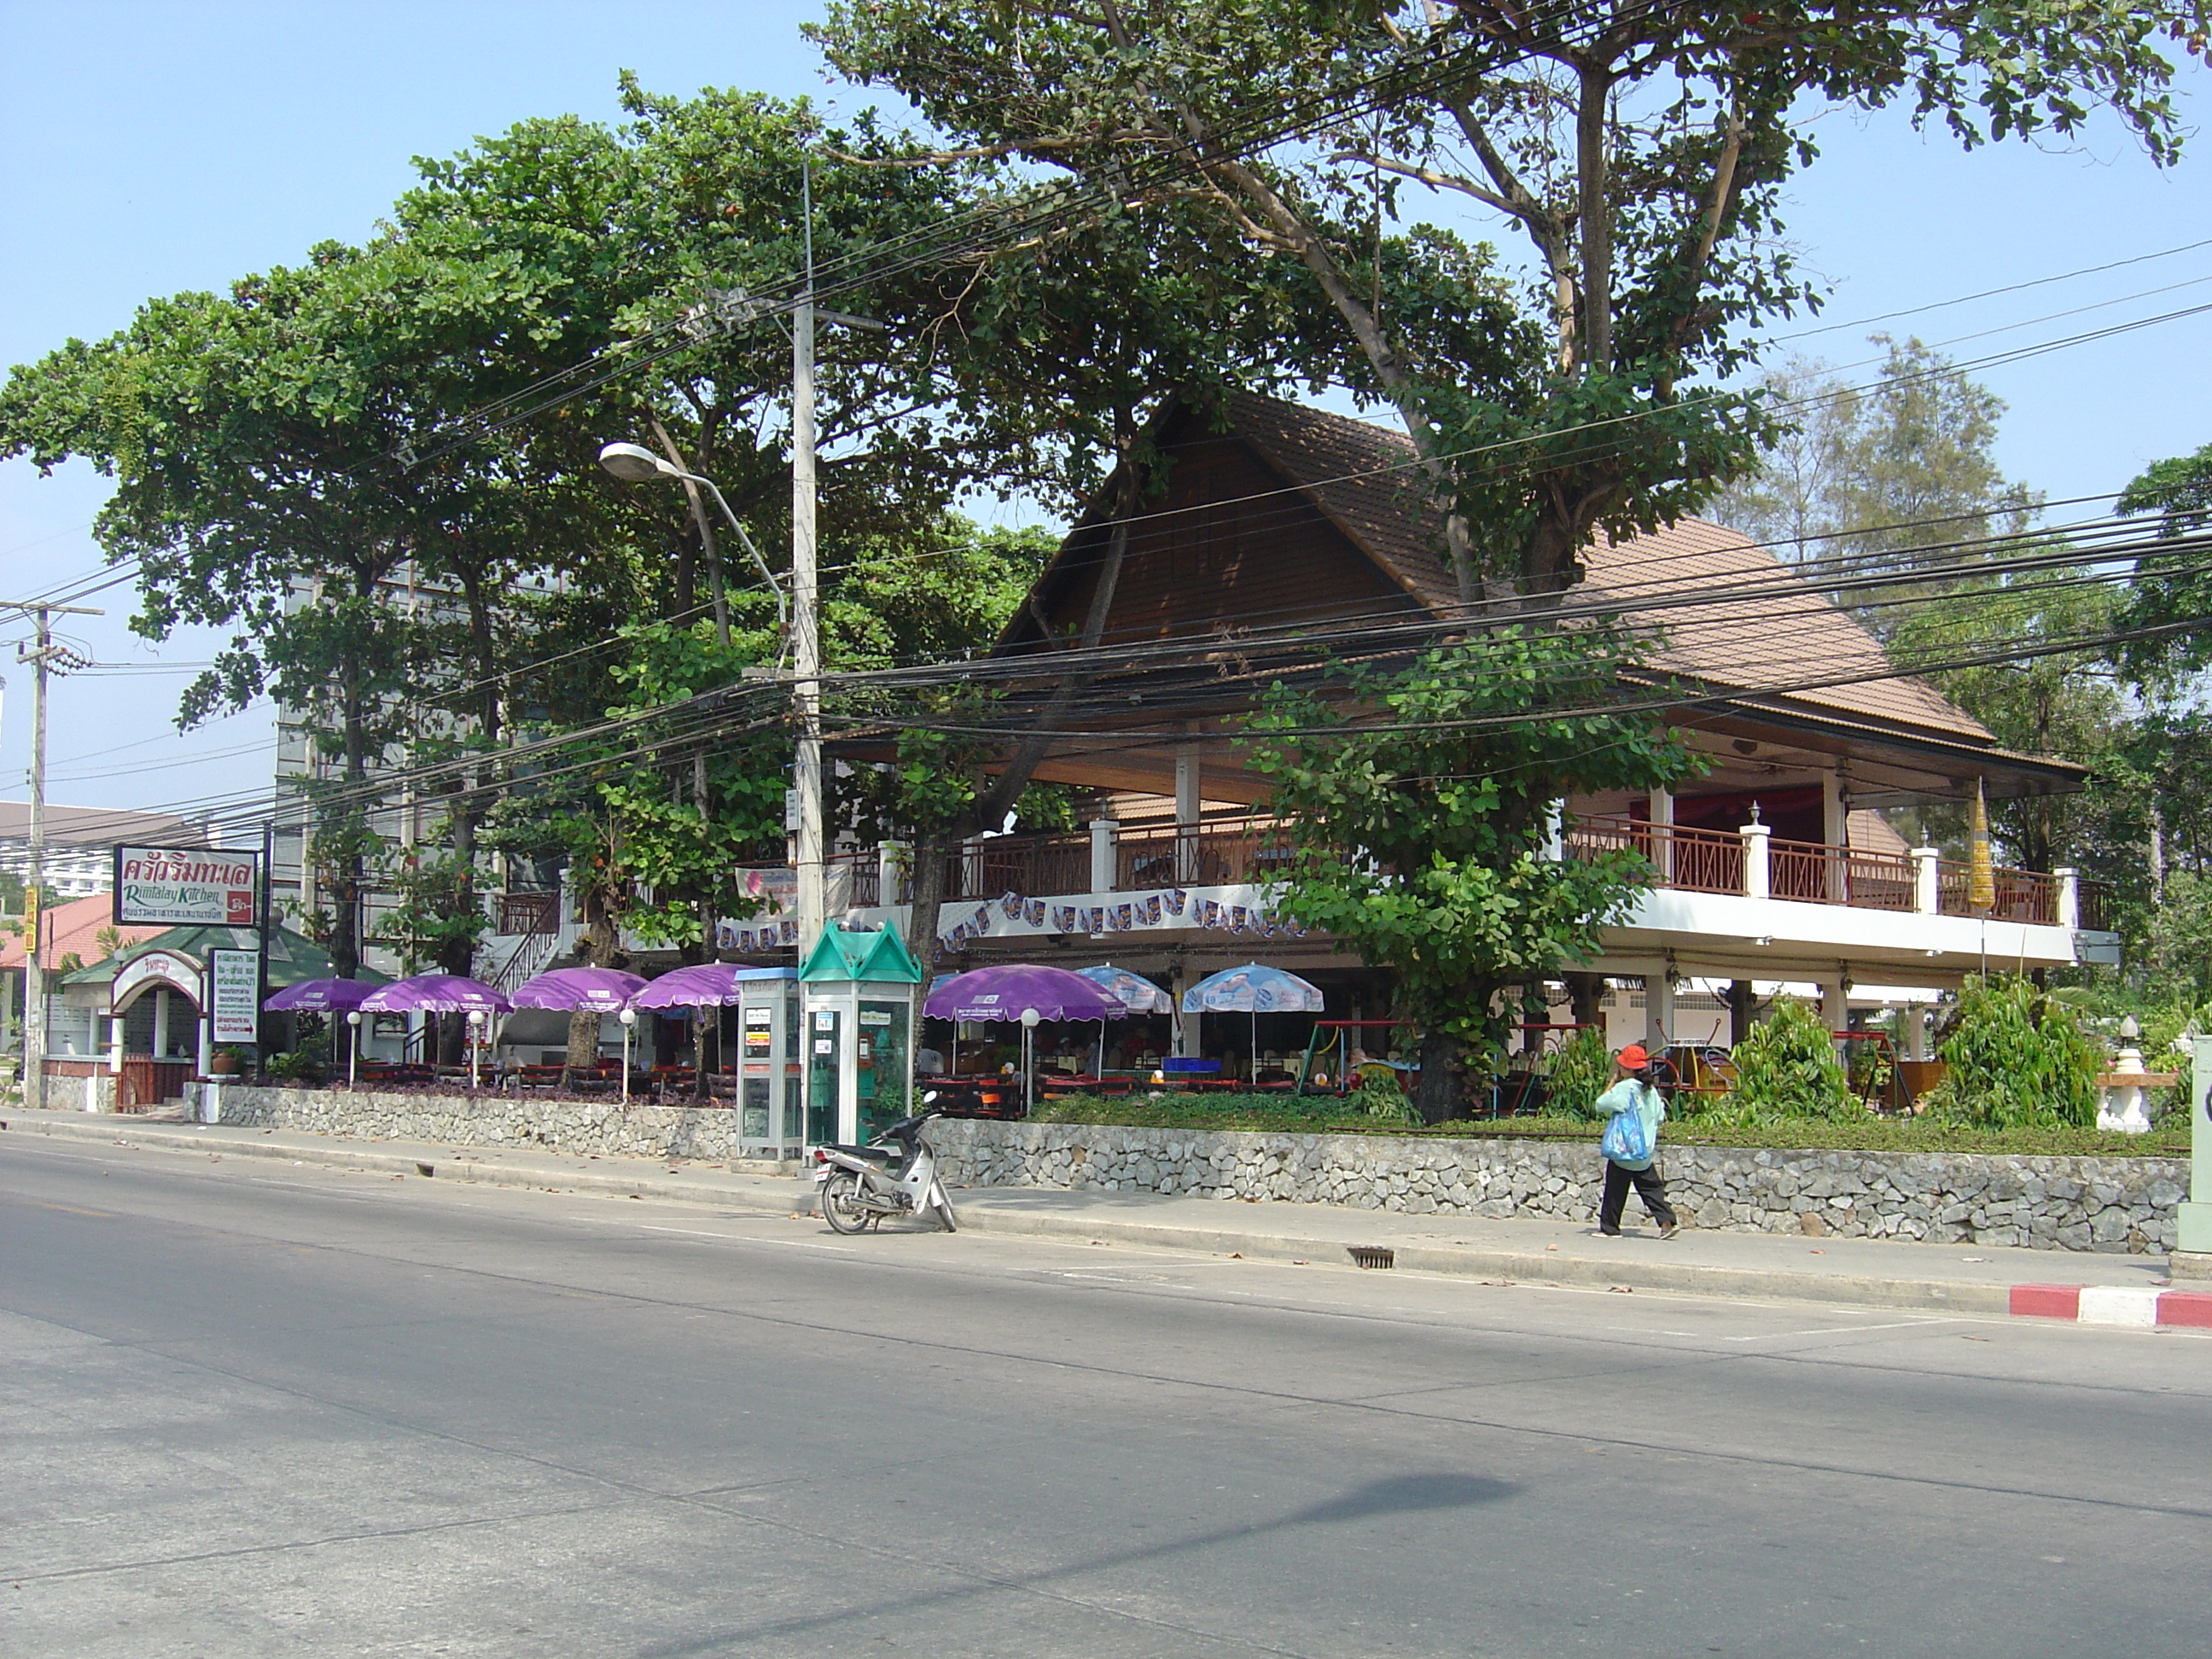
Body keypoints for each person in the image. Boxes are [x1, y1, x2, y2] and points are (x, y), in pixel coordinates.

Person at [1594, 1044, 1679, 1238]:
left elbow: (1600, 1104)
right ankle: (1667, 1222)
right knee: (1651, 1189)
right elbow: (1659, 1116)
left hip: (1624, 1150)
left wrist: (1613, 1082)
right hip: (1644, 1151)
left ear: (1626, 1069)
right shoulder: (1650, 1090)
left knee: (1615, 1190)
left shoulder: (1625, 1088)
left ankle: (1609, 1228)